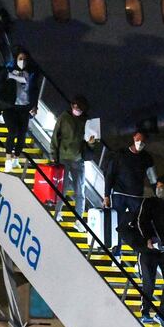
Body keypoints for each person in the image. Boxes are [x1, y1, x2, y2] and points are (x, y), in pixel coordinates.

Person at [104, 130, 157, 253]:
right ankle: (117, 250)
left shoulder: (147, 158)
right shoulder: (120, 154)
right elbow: (110, 175)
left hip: (136, 197)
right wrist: (106, 195)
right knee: (118, 224)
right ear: (134, 138)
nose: (140, 143)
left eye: (143, 142)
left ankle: (139, 251)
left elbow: (153, 178)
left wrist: (157, 195)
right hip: (119, 195)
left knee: (139, 224)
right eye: (138, 140)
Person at [136, 175, 164, 323]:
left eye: (162, 187)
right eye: (158, 187)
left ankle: (161, 313)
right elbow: (141, 221)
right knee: (149, 281)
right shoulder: (149, 202)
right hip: (149, 249)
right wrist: (147, 239)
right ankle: (145, 311)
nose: (159, 190)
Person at [50, 96, 99, 230]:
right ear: (72, 106)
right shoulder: (64, 117)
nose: (76, 110)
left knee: (80, 191)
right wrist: (54, 155)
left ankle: (79, 221)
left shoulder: (87, 122)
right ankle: (57, 214)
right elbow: (55, 136)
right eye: (75, 107)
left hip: (79, 160)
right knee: (62, 189)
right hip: (63, 158)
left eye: (79, 108)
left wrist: (92, 143)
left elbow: (91, 144)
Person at [0, 47, 40, 172]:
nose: (22, 61)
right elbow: (0, 86)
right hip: (10, 107)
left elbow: (34, 90)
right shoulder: (8, 71)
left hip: (24, 107)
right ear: (16, 59)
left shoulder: (31, 74)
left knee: (22, 133)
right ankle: (7, 159)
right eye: (20, 58)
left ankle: (16, 158)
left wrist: (34, 105)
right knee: (12, 131)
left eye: (24, 59)